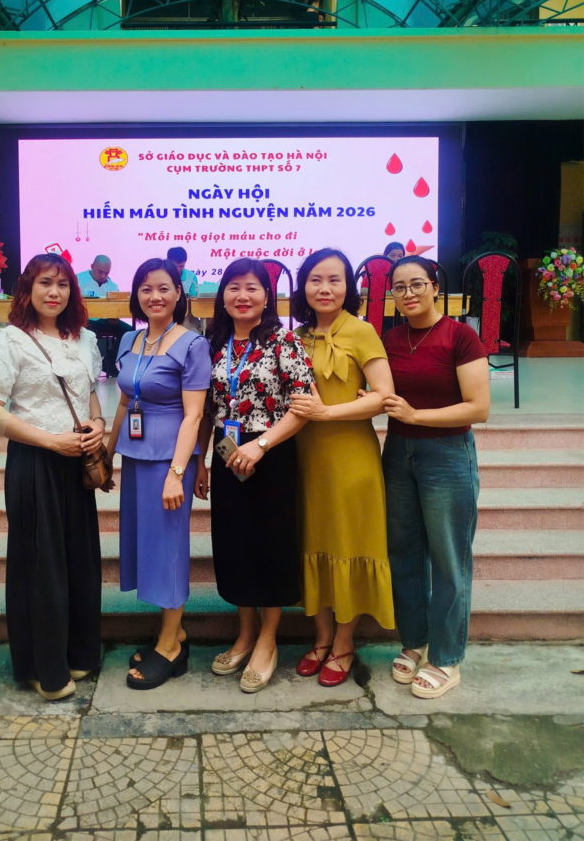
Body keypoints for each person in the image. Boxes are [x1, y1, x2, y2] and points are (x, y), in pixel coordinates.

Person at [0, 253, 104, 700]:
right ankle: (41, 667)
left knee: (80, 559)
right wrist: (52, 442)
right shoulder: (9, 340)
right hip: (34, 462)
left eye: (63, 284)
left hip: (77, 461)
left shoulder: (85, 338)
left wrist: (98, 425)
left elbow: (90, 395)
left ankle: (79, 651)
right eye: (45, 283)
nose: (54, 292)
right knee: (40, 564)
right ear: (27, 290)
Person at [196, 258, 314, 693]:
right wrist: (201, 460)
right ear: (222, 296)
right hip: (227, 452)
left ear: (267, 296)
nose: (242, 296)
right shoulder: (214, 342)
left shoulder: (284, 341)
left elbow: (303, 406)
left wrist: (261, 444)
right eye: (233, 287)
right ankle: (245, 634)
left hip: (272, 454)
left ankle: (267, 640)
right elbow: (207, 409)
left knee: (270, 545)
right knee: (235, 545)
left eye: (252, 287)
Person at [382, 256, 490, 700]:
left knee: (448, 557)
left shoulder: (460, 336)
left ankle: (446, 657)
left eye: (416, 284)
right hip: (398, 453)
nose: (408, 293)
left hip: (446, 452)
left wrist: (415, 416)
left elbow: (478, 407)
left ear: (434, 288)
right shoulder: (390, 338)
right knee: (404, 553)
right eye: (399, 287)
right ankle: (415, 641)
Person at [289, 249, 395, 686]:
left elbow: (383, 396)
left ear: (349, 287)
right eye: (316, 279)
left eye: (335, 280)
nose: (325, 288)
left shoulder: (362, 330)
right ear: (303, 286)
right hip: (304, 457)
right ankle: (321, 637)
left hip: (351, 456)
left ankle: (345, 642)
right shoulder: (296, 336)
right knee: (313, 537)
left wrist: (327, 413)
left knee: (348, 541)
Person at [107, 259, 211, 690]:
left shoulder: (192, 344)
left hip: (170, 460)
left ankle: (169, 646)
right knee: (148, 545)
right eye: (147, 288)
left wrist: (177, 473)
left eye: (164, 288)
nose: (155, 296)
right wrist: (106, 454)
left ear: (178, 293)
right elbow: (122, 402)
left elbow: (194, 415)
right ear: (137, 294)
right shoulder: (129, 339)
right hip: (136, 456)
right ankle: (174, 632)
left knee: (169, 548)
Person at [77, 255, 128, 377]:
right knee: (87, 334)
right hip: (85, 320)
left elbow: (116, 307)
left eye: (106, 273)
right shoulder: (77, 280)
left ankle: (109, 362)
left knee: (129, 333)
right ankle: (86, 369)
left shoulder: (113, 286)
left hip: (106, 320)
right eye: (100, 272)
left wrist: (116, 317)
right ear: (92, 266)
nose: (103, 276)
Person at [167, 246, 201, 332]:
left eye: (181, 266)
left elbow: (194, 299)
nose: (178, 269)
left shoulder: (191, 277)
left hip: (187, 319)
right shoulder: (162, 275)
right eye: (175, 266)